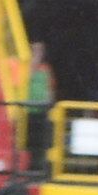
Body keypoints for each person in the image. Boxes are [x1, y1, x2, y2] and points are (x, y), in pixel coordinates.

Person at [20, 40, 56, 176]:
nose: (39, 53)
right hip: (26, 111)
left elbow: (50, 88)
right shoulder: (23, 66)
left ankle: (39, 167)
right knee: (26, 140)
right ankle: (25, 167)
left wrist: (51, 105)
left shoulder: (46, 68)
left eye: (41, 50)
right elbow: (26, 77)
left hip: (42, 110)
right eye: (36, 50)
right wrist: (34, 58)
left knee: (41, 140)